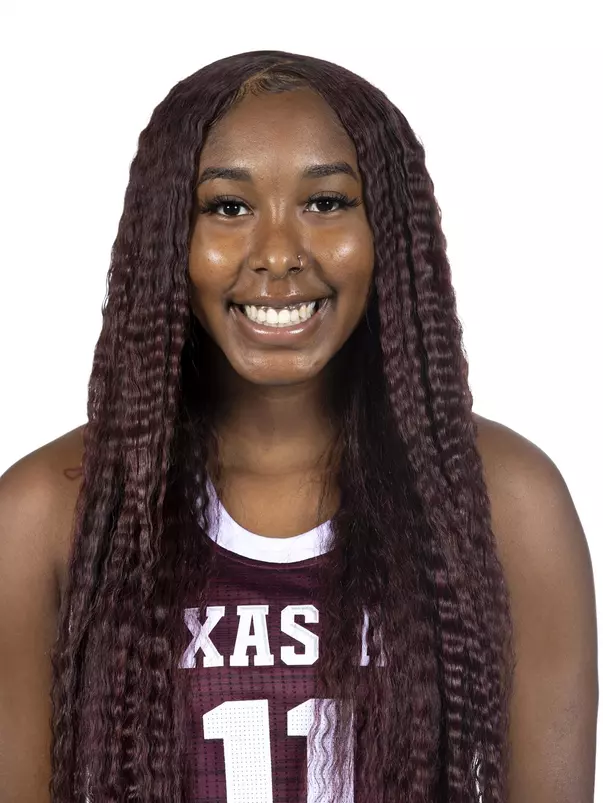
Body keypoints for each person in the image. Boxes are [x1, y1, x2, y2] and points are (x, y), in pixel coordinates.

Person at [0, 50, 597, 803]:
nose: (278, 255)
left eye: (326, 202)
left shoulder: (507, 500)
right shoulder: (46, 511)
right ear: (167, 238)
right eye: (228, 207)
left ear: (388, 232)